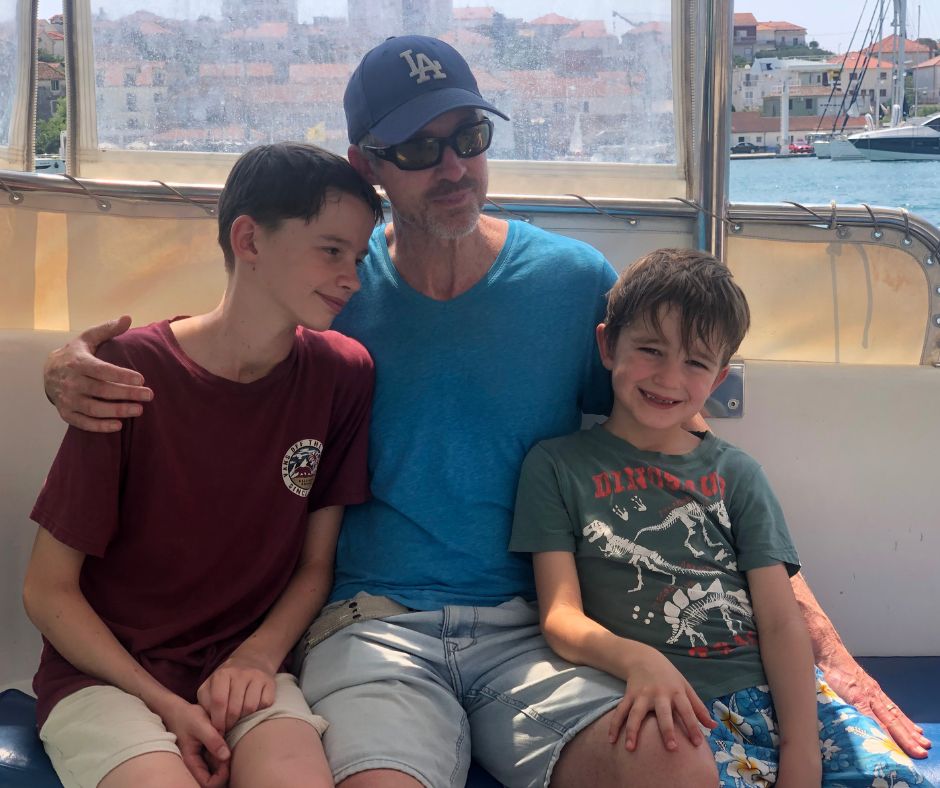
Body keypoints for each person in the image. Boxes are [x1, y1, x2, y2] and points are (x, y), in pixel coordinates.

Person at [41, 35, 931, 787]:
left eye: (467, 134)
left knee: (673, 761)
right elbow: (217, 341)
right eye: (419, 150)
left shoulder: (573, 284)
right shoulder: (333, 289)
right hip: (372, 626)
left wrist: (823, 641)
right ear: (368, 167)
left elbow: (686, 445)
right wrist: (73, 366)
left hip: (541, 632)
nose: (454, 165)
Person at [24, 142, 383, 788]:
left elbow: (315, 565)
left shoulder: (342, 375)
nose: (352, 277)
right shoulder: (126, 375)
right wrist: (167, 706)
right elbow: (46, 589)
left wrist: (255, 657)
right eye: (331, 251)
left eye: (357, 258)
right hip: (107, 677)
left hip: (245, 671)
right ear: (248, 239)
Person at [509, 248, 933, 788]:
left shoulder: (739, 474)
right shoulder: (555, 466)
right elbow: (561, 619)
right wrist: (640, 660)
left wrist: (801, 753)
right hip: (674, 708)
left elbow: (780, 622)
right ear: (607, 345)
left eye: (695, 362)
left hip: (790, 702)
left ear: (718, 377)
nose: (668, 377)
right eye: (650, 349)